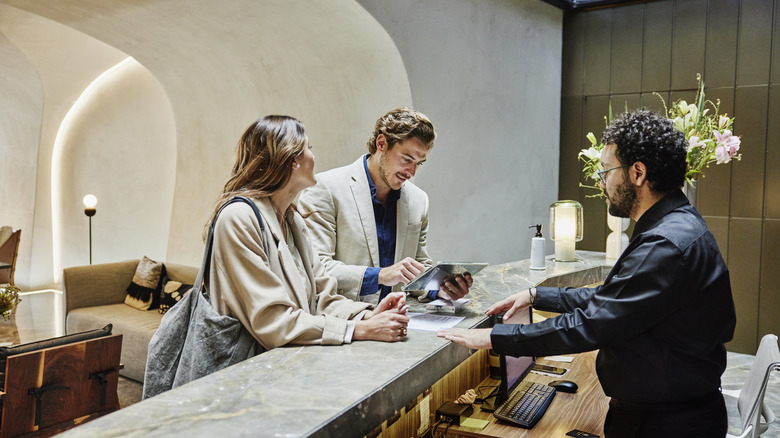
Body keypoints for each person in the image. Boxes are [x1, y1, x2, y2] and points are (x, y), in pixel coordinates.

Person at [437, 109, 736, 437]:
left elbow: (596, 323)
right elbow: (618, 300)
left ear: (637, 172)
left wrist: (495, 337)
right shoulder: (677, 226)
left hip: (667, 424)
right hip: (670, 413)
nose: (601, 181)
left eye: (606, 171)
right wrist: (538, 294)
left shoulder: (665, 243)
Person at [205, 115, 410, 351]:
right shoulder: (238, 218)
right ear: (290, 159)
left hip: (287, 363)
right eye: (308, 148)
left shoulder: (294, 221)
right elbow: (273, 320)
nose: (313, 156)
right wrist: (359, 330)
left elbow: (322, 298)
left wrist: (368, 316)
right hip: (244, 369)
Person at [298, 107, 472, 304]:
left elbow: (418, 265)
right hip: (345, 320)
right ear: (381, 143)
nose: (412, 172)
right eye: (407, 159)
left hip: (400, 320)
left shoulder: (418, 200)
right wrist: (381, 275)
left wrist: (439, 289)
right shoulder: (325, 189)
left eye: (419, 163)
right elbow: (317, 269)